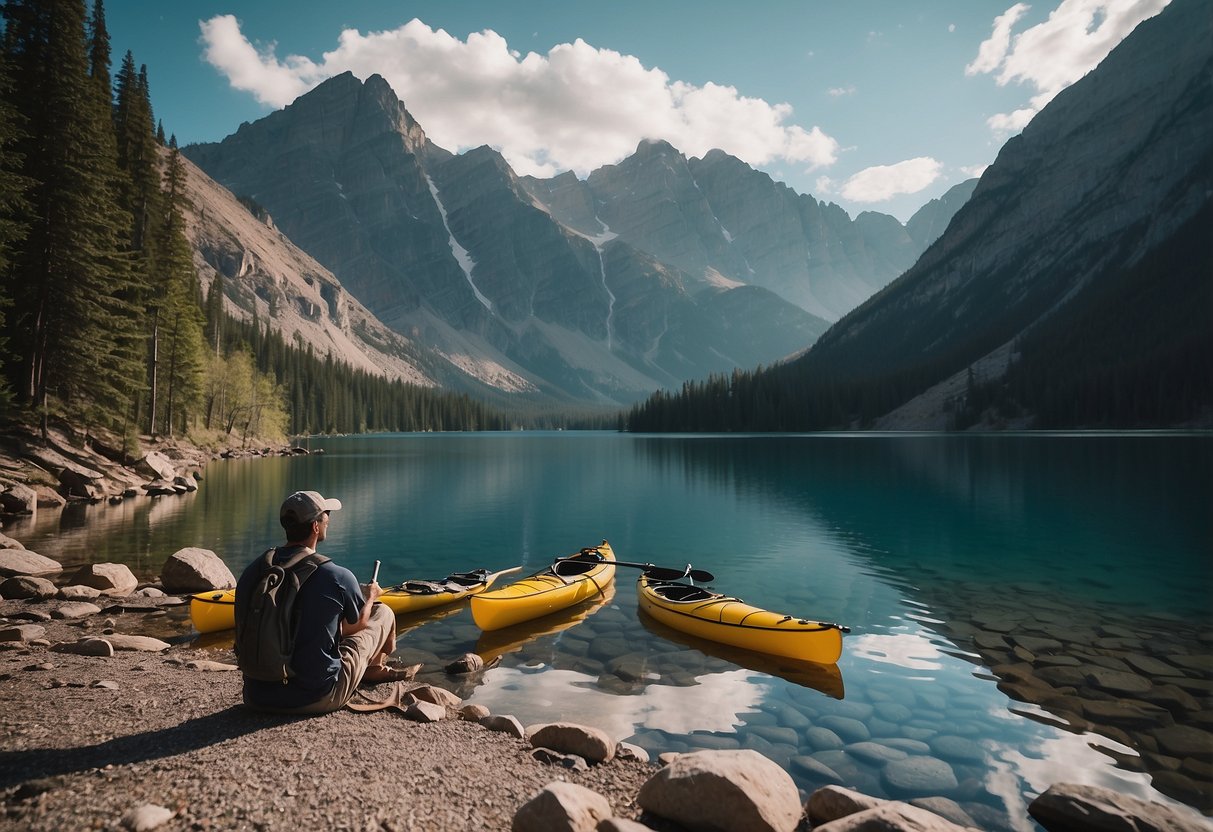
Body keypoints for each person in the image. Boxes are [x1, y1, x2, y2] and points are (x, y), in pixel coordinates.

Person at [237, 490, 413, 714]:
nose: (328, 518)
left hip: (255, 695)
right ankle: (374, 669)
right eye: (325, 514)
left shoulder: (255, 570)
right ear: (315, 527)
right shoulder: (335, 575)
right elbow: (359, 623)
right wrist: (371, 597)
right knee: (383, 613)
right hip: (315, 697)